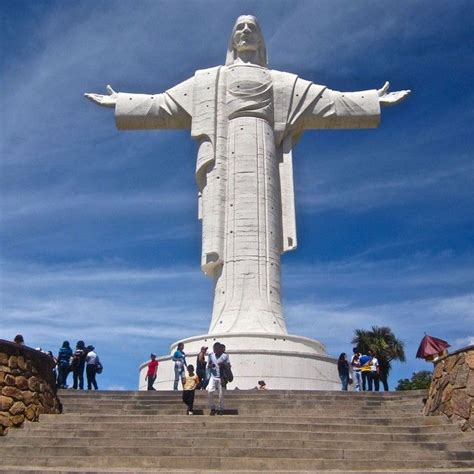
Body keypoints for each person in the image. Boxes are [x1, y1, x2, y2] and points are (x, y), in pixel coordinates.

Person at [85, 16, 410, 341]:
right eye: (239, 28)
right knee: (229, 243)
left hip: (263, 152)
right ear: (232, 39)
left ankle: (267, 318)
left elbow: (329, 102)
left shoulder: (281, 82)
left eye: (251, 27)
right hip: (228, 158)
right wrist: (123, 101)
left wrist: (370, 100)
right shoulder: (210, 80)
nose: (244, 32)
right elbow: (165, 104)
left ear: (260, 38)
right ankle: (228, 320)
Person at [207, 342, 230, 415]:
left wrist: (223, 364)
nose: (215, 351)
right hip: (213, 376)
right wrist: (211, 366)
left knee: (221, 395)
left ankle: (221, 408)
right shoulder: (211, 356)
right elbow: (208, 365)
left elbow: (229, 365)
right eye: (214, 350)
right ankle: (212, 408)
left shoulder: (225, 356)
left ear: (220, 349)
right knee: (210, 391)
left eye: (217, 350)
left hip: (221, 377)